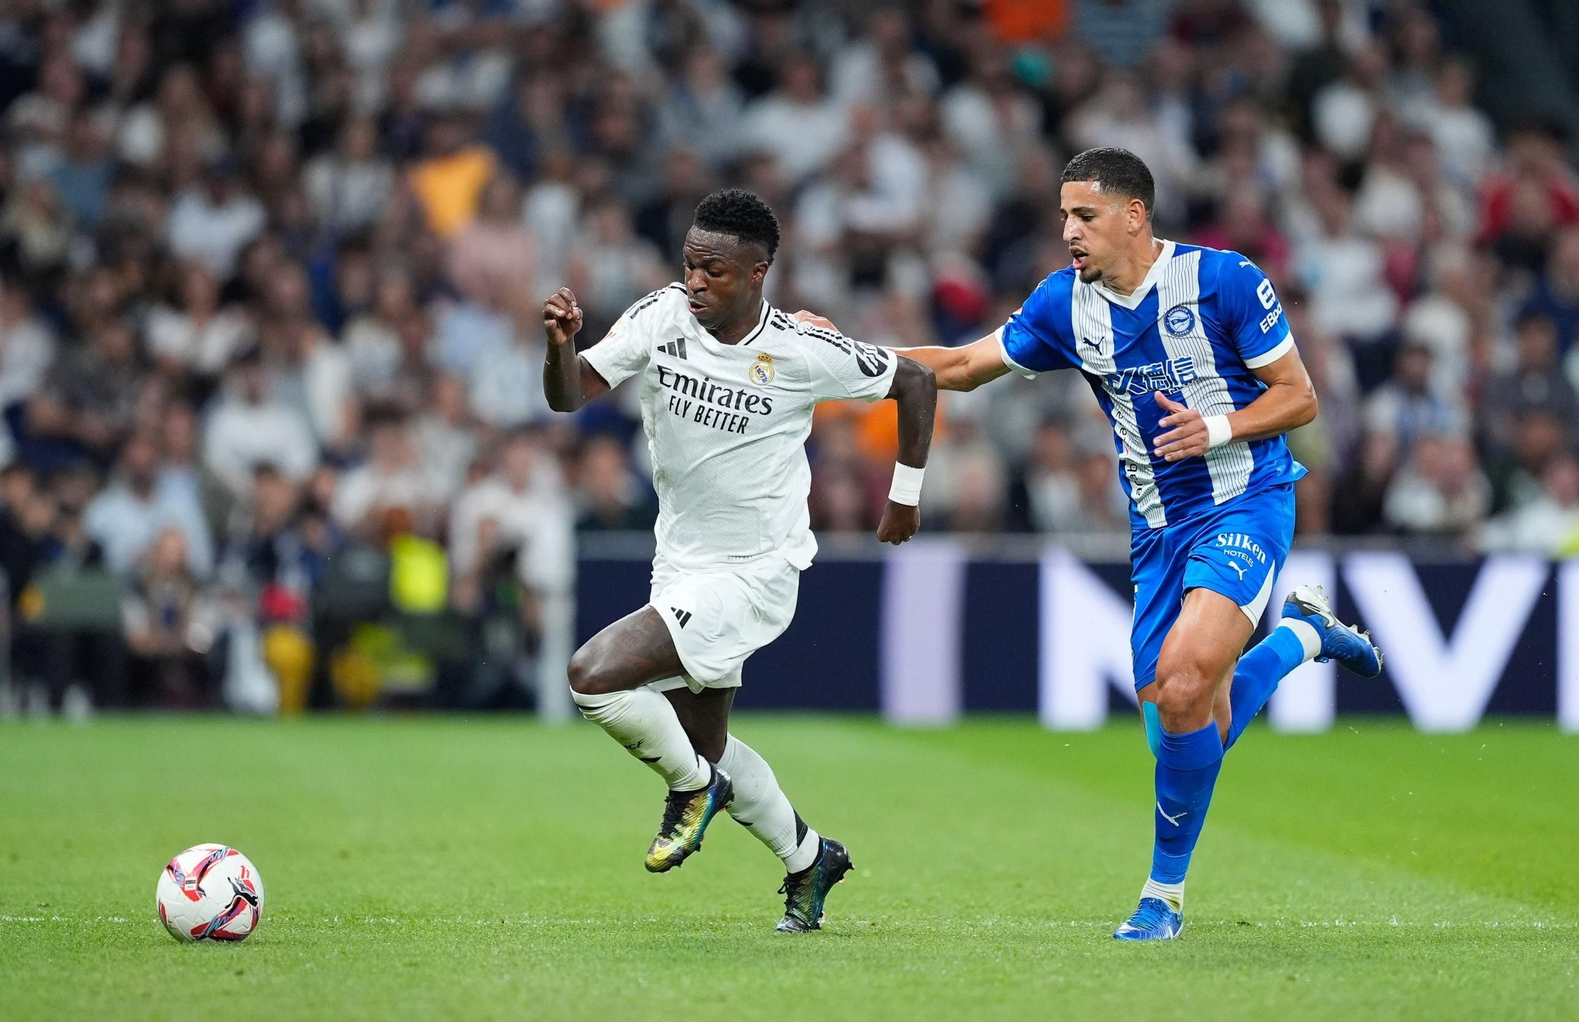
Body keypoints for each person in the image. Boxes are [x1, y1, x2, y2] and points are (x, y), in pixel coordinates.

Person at [845, 148, 1384, 941]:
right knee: (1182, 717)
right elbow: (957, 366)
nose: (1068, 230)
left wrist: (1219, 427)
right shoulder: (1065, 304)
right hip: (1157, 533)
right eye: (1063, 215)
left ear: (1134, 216)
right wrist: (833, 360)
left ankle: (1162, 896)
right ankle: (1305, 633)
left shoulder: (1225, 281)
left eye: (1084, 216)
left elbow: (1298, 397)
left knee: (1186, 677)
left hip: (1246, 501)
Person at [543, 189, 936, 933]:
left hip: (756, 571)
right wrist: (560, 345)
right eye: (690, 265)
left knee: (592, 676)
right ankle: (809, 856)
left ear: (758, 273)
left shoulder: (799, 349)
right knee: (704, 741)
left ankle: (694, 792)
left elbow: (914, 381)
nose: (695, 282)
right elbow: (572, 397)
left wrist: (904, 497)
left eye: (714, 272)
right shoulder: (661, 316)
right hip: (680, 563)